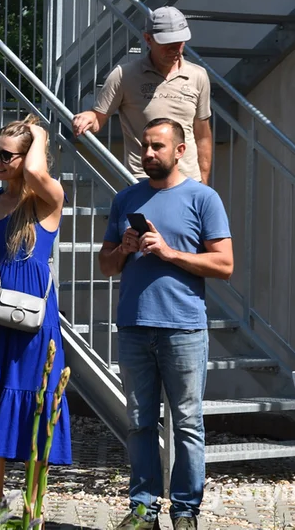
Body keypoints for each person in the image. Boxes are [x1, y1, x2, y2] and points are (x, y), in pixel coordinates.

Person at [100, 118, 233, 530]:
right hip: (136, 326)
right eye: (145, 146)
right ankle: (142, 509)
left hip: (184, 328)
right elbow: (105, 265)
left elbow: (224, 265)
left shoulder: (203, 198)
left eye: (157, 146)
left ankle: (185, 511)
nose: (148, 153)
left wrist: (170, 253)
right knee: (139, 421)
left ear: (180, 150)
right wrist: (122, 250)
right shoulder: (126, 199)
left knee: (188, 423)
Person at [0, 115, 72, 505]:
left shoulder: (47, 199)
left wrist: (38, 133)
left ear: (28, 156)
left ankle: (33, 509)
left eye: (7, 154)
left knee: (34, 402)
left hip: (33, 318)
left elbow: (36, 170)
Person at [72, 6, 212, 184]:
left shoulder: (198, 76)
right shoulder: (124, 75)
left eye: (179, 43)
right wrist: (89, 116)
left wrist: (203, 183)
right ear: (148, 39)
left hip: (188, 180)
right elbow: (99, 117)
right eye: (166, 44)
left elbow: (203, 135)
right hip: (143, 180)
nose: (174, 49)